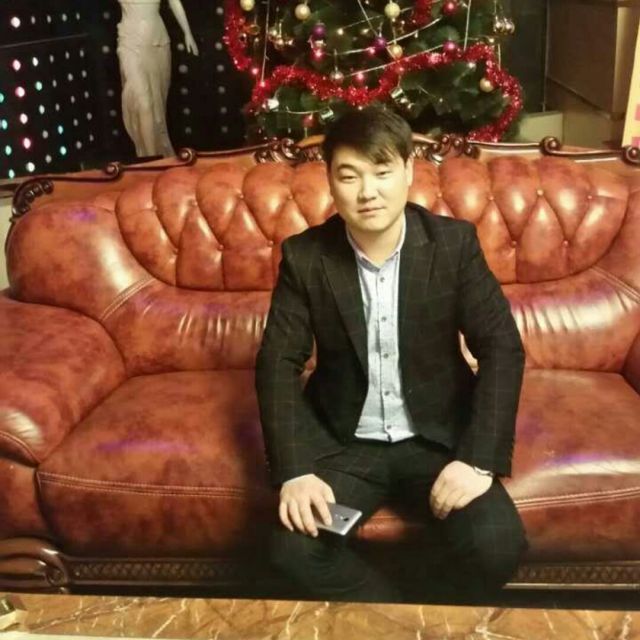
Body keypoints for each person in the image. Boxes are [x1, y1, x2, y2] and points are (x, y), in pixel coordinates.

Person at [255, 106, 527, 603]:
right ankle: (395, 621)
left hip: (437, 439)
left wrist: (477, 461)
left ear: (407, 171)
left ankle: (426, 612)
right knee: (292, 550)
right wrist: (295, 470)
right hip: (346, 445)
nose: (368, 192)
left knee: (497, 546)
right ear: (330, 181)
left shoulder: (452, 245)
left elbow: (501, 347)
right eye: (350, 176)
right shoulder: (305, 256)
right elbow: (278, 363)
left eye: (382, 171)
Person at [117, 0, 198, 158]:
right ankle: (149, 158)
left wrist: (187, 33)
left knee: (157, 107)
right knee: (143, 103)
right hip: (130, 43)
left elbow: (174, 2)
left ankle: (157, 157)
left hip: (158, 43)